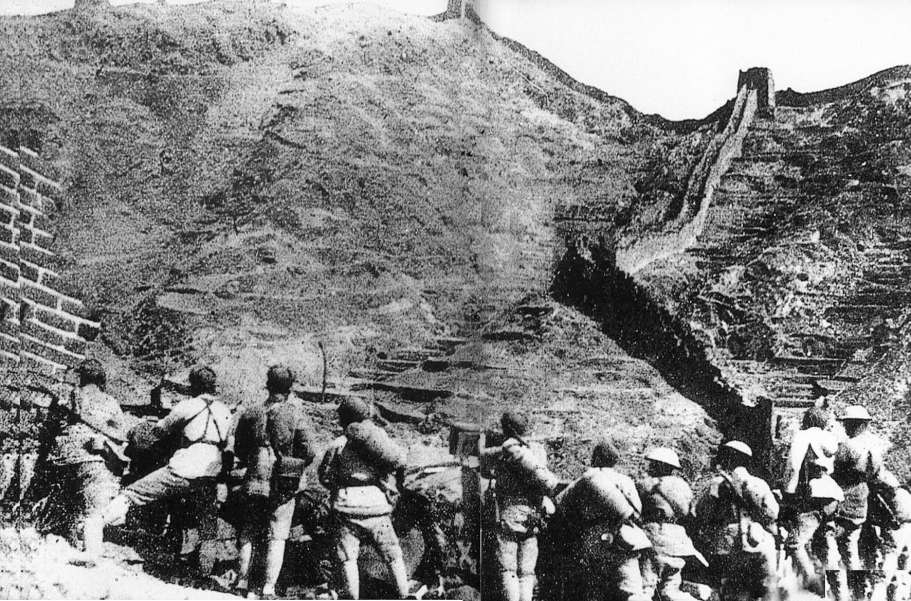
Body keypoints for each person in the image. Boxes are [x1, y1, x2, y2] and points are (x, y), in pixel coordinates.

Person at [87, 365, 232, 575]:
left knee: (133, 493)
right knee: (208, 526)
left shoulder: (187, 406)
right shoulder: (225, 411)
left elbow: (157, 432)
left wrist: (136, 430)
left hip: (184, 467)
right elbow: (226, 443)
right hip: (210, 472)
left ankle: (97, 523)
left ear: (193, 385)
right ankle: (204, 573)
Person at [233, 365, 316, 598]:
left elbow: (240, 448)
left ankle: (242, 583)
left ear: (268, 386)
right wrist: (294, 465)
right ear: (289, 389)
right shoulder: (296, 415)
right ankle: (268, 589)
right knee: (277, 536)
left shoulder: (251, 413)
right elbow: (309, 451)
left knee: (248, 530)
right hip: (283, 483)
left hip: (254, 479)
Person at [318, 397, 409, 599]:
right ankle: (405, 594)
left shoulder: (338, 444)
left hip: (347, 506)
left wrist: (338, 486)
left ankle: (353, 597)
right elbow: (394, 460)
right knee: (393, 554)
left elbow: (324, 476)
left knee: (348, 558)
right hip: (377, 505)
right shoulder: (377, 438)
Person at [40, 359, 127, 548]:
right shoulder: (110, 402)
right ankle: (89, 550)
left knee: (65, 505)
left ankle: (62, 541)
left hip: (62, 456)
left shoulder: (69, 394)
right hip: (92, 459)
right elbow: (121, 435)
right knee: (93, 510)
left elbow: (49, 428)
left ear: (81, 377)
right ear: (101, 379)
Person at [554, 438, 651, 601]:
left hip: (595, 538)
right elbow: (637, 510)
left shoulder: (587, 478)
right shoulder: (626, 480)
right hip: (626, 537)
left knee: (594, 590)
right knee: (632, 590)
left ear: (596, 458)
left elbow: (562, 505)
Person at [479, 411, 558, 601]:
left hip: (511, 516)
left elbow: (484, 465)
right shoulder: (536, 450)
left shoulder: (507, 449)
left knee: (508, 570)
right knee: (527, 572)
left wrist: (481, 439)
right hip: (532, 517)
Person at [695, 440, 779, 601]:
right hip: (757, 540)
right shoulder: (759, 483)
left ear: (727, 458)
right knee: (764, 590)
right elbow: (772, 513)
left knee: (733, 592)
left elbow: (703, 512)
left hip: (727, 543)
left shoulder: (716, 484)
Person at [830, 405, 898, 598]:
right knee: (852, 546)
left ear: (855, 425)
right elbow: (877, 475)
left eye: (848, 424)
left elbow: (833, 471)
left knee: (838, 546)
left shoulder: (847, 446)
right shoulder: (873, 446)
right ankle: (859, 590)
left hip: (845, 499)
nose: (845, 427)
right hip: (862, 499)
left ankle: (842, 591)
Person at [780, 408, 843, 595]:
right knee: (825, 540)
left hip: (814, 493)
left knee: (794, 543)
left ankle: (814, 584)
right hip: (833, 493)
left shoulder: (804, 436)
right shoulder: (831, 438)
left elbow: (793, 466)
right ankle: (837, 588)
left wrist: (788, 492)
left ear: (807, 420)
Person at [637, 447, 704, 601]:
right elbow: (690, 512)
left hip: (653, 538)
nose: (650, 466)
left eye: (653, 463)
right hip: (678, 541)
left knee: (645, 588)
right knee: (670, 590)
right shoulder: (683, 486)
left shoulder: (646, 484)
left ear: (659, 465)